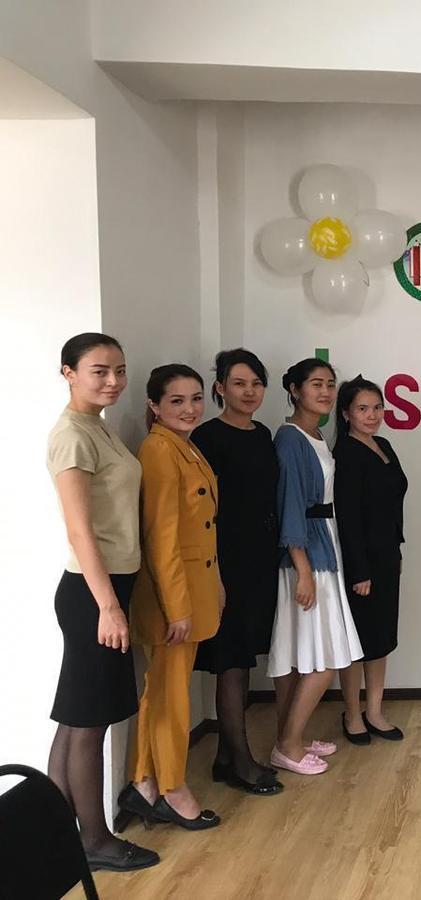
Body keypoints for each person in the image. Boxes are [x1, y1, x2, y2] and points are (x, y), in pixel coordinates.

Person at [45, 333, 159, 872]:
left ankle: (53, 833)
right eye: (99, 371)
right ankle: (94, 841)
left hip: (109, 587)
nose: (113, 381)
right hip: (93, 592)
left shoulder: (99, 426)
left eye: (119, 370)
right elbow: (79, 530)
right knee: (88, 723)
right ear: (68, 372)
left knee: (76, 718)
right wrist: (109, 607)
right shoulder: (72, 434)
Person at [122, 365, 223, 830]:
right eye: (177, 401)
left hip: (193, 587)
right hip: (170, 599)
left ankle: (143, 783)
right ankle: (172, 788)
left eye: (196, 398)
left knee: (161, 691)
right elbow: (161, 538)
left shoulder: (185, 445)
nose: (189, 408)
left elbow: (202, 528)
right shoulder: (159, 450)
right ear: (154, 405)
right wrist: (177, 609)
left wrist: (216, 583)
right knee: (171, 698)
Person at [192, 349, 283, 794]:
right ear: (220, 388)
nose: (249, 392)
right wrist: (214, 573)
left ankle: (226, 756)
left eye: (256, 383)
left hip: (258, 562)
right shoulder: (206, 437)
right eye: (239, 383)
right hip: (224, 562)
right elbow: (202, 511)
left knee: (243, 657)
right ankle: (241, 761)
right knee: (229, 659)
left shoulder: (263, 434)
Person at [268, 358, 363, 775]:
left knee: (301, 651)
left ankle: (291, 737)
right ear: (294, 390)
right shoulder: (290, 440)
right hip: (309, 554)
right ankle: (287, 746)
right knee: (323, 657)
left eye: (330, 384)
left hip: (325, 545)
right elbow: (290, 504)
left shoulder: (317, 435)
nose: (325, 392)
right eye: (316, 384)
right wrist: (302, 568)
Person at [334, 376, 408, 745]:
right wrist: (359, 571)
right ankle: (352, 714)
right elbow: (348, 518)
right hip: (360, 564)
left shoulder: (384, 445)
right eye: (363, 408)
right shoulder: (345, 454)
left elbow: (392, 504)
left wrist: (396, 549)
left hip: (386, 556)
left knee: (381, 639)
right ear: (346, 413)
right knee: (358, 641)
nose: (372, 415)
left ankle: (374, 711)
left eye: (377, 407)